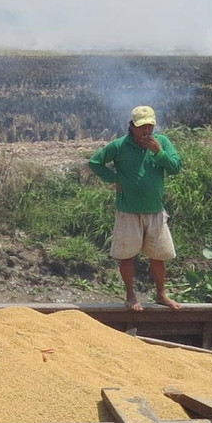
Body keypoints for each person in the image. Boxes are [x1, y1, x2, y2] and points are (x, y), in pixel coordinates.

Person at [86, 105, 183, 312]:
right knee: (126, 255)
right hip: (128, 211)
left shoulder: (162, 142)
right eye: (142, 127)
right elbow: (95, 162)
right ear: (132, 127)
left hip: (155, 210)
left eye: (150, 126)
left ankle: (161, 294)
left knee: (159, 256)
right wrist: (114, 179)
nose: (146, 131)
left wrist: (158, 152)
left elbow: (175, 167)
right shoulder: (120, 146)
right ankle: (131, 296)